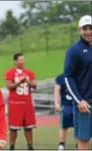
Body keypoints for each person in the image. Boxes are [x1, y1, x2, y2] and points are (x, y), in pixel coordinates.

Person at [63, 15, 92, 150]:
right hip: (85, 104)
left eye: (90, 28)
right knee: (83, 140)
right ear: (79, 30)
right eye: (85, 28)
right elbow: (68, 77)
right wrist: (79, 100)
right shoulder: (74, 50)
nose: (88, 31)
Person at [4, 52, 37, 150]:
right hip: (15, 104)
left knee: (29, 127)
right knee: (13, 128)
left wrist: (27, 81)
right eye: (21, 60)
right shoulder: (10, 72)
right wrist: (19, 82)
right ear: (15, 61)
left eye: (23, 59)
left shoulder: (29, 72)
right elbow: (9, 86)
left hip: (27, 103)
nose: (23, 61)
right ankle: (12, 147)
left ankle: (30, 146)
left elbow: (34, 85)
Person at [54, 73, 76, 150]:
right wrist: (56, 103)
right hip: (66, 105)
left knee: (78, 127)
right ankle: (61, 144)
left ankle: (79, 143)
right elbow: (57, 90)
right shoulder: (61, 77)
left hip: (77, 105)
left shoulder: (80, 75)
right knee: (64, 126)